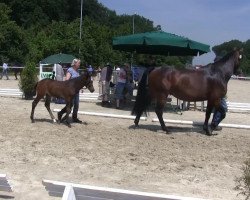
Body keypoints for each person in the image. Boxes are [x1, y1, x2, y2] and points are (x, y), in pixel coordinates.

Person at [63, 58, 82, 123]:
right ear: (75, 63)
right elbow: (67, 81)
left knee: (76, 105)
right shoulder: (70, 70)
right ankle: (64, 117)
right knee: (71, 105)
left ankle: (74, 118)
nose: (79, 64)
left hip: (76, 91)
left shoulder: (77, 71)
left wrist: (80, 88)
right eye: (78, 63)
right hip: (71, 92)